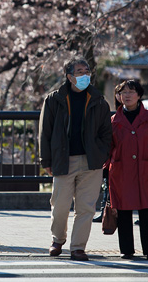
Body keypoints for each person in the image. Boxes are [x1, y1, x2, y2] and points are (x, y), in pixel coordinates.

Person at [39, 58, 112, 261]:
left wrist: (101, 153)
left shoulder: (98, 100)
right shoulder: (54, 99)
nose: (85, 75)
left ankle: (78, 247)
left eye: (87, 71)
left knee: (86, 208)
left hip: (92, 162)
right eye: (80, 71)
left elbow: (107, 133)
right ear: (69, 76)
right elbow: (45, 132)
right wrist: (46, 160)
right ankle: (58, 239)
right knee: (60, 205)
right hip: (63, 159)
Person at [106, 80, 148, 260]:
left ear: (139, 95)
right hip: (121, 171)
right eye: (123, 92)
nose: (127, 95)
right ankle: (127, 249)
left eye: (131, 92)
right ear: (118, 96)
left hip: (145, 170)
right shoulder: (114, 120)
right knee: (123, 211)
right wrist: (105, 168)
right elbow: (108, 147)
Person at [93, 84, 122, 223]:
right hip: (112, 160)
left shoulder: (147, 118)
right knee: (107, 187)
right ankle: (104, 211)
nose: (124, 96)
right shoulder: (113, 118)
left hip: (125, 160)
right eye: (120, 93)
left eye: (130, 92)